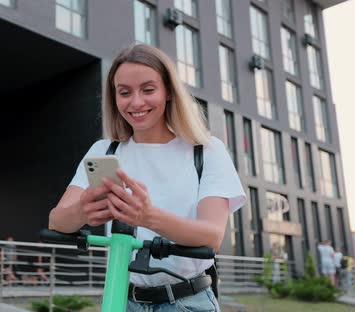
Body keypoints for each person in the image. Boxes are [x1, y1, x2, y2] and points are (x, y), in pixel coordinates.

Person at [48, 44, 246, 312]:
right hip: (122, 299)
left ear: (168, 93)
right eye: (125, 92)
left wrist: (147, 217)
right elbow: (56, 220)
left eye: (148, 89)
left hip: (187, 303)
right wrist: (83, 210)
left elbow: (211, 236)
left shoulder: (207, 150)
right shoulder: (105, 151)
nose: (136, 102)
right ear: (114, 98)